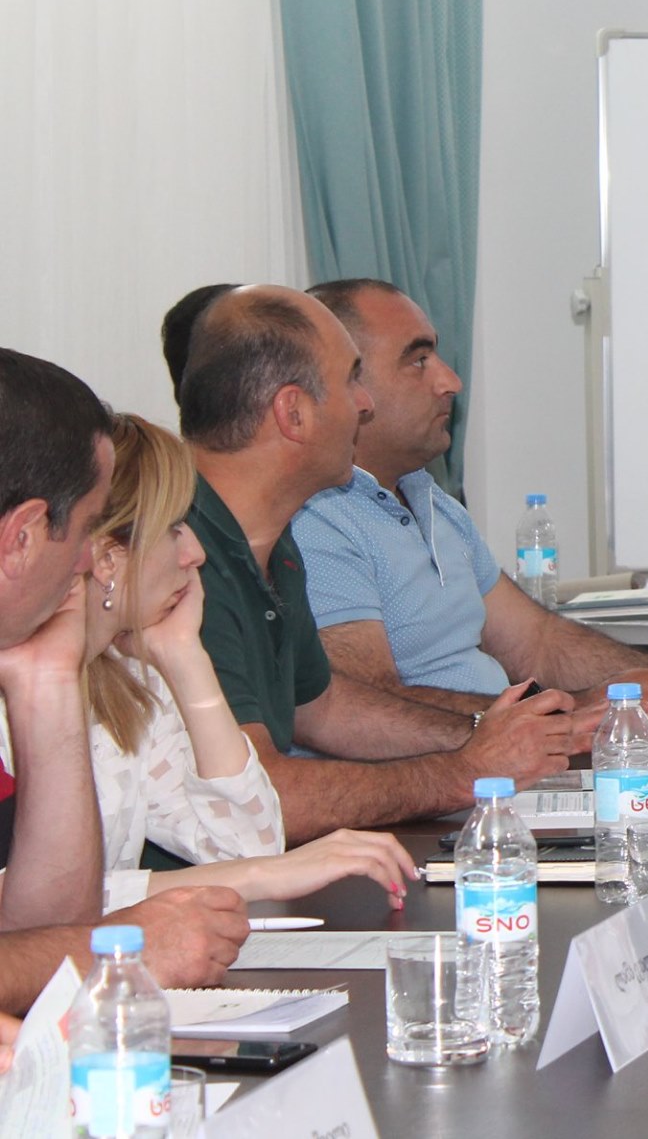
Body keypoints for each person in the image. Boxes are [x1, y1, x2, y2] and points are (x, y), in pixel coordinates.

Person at [292, 279, 648, 731]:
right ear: (349, 382)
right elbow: (367, 712)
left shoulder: (432, 502)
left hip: (506, 758)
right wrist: (570, 713)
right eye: (418, 360)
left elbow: (537, 642)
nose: (450, 381)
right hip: (446, 782)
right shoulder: (318, 518)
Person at [176, 287, 579, 843]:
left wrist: (494, 735)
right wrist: (463, 772)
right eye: (350, 381)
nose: (364, 404)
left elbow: (323, 709)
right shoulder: (182, 556)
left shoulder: (272, 542)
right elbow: (260, 795)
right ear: (293, 413)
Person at [73, 413, 415, 910]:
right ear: (107, 558)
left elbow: (249, 844)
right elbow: (29, 907)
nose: (194, 553)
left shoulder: (127, 681)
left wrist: (185, 656)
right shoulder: (19, 689)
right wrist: (254, 877)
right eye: (174, 529)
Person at [0, 350, 248, 1011]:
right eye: (87, 529)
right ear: (22, 536)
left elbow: (33, 941)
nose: (90, 559)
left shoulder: (31, 661)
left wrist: (47, 681)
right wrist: (116, 946)